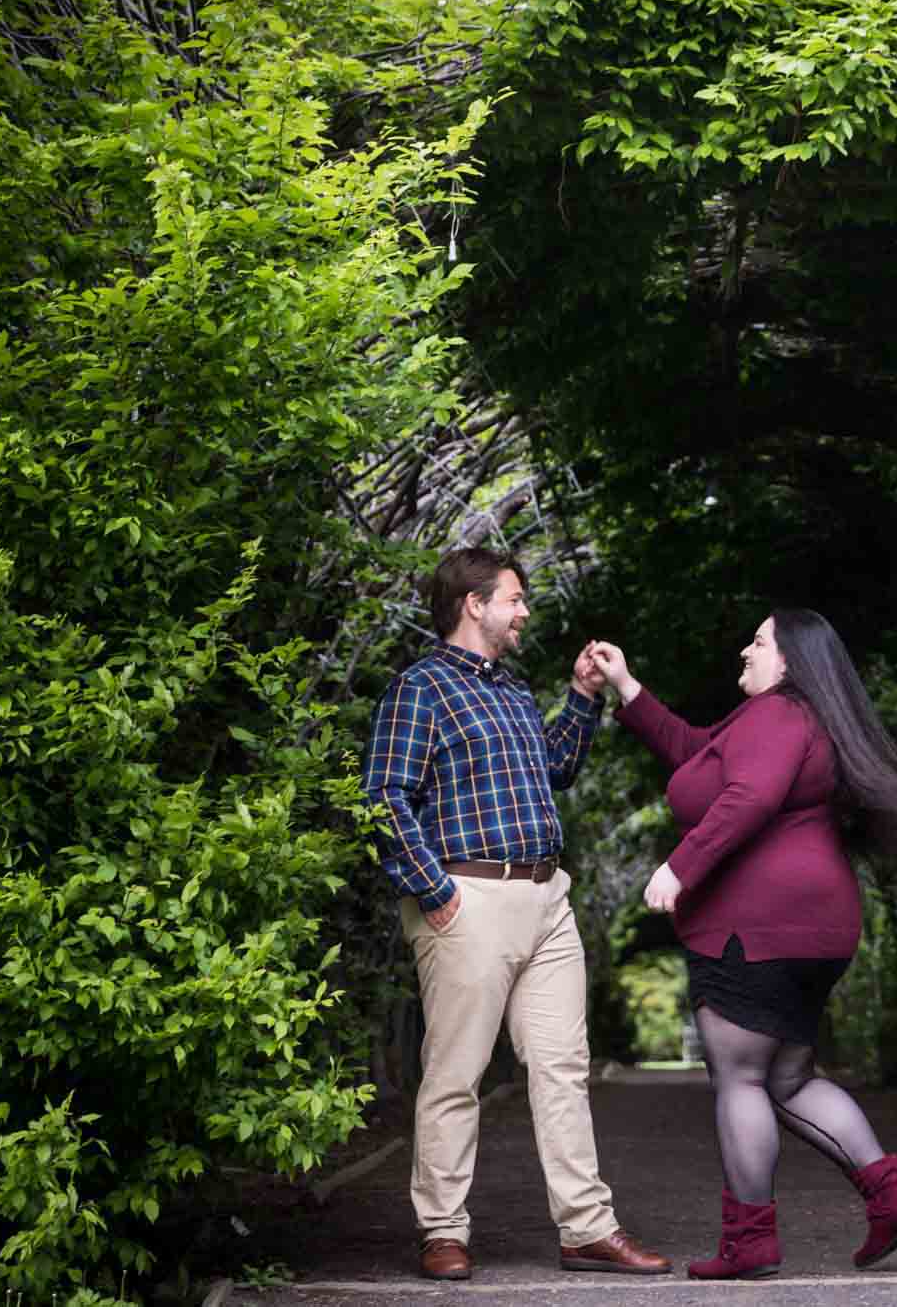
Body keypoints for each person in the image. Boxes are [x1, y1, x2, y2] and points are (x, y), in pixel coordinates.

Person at [590, 610, 897, 1280]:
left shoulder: (780, 716)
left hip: (756, 925)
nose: (744, 648)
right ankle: (890, 1193)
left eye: (758, 640)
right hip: (813, 924)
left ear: (792, 661)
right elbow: (697, 753)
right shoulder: (777, 719)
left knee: (741, 1077)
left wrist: (680, 866)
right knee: (788, 1076)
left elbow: (748, 795)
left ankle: (749, 1240)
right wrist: (628, 688)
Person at [361, 547, 671, 1282]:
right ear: (475, 603)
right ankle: (442, 1228)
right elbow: (382, 796)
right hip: (469, 898)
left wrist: (582, 693)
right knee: (455, 1073)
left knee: (562, 1068)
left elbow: (555, 767)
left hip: (545, 897)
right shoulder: (420, 690)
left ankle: (587, 1228)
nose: (525, 610)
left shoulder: (513, 690)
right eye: (515, 598)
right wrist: (435, 890)